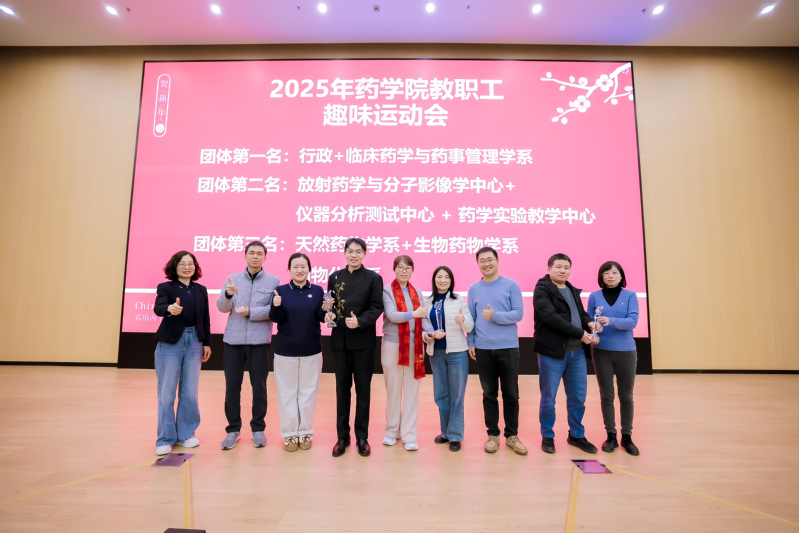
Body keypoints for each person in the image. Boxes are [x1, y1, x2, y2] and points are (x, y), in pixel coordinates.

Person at [533, 253, 602, 454]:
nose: (563, 271)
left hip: (577, 354)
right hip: (552, 353)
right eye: (559, 267)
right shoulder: (542, 289)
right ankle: (547, 435)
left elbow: (580, 314)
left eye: (566, 267)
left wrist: (589, 323)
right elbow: (550, 317)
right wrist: (580, 333)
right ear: (549, 268)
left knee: (578, 398)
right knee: (548, 398)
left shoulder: (571, 289)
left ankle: (576, 435)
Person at [217, 241, 280, 450]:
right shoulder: (232, 279)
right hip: (233, 341)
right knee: (232, 388)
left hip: (259, 342)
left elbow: (274, 311)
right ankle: (233, 429)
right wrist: (228, 294)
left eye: (259, 253)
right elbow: (221, 307)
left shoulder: (273, 281)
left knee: (259, 388)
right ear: (245, 256)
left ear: (265, 257)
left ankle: (258, 429)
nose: (255, 256)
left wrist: (250, 312)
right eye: (251, 253)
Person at [326, 238, 384, 457]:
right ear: (344, 253)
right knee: (342, 390)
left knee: (363, 390)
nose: (353, 255)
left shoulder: (373, 278)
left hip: (363, 342)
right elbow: (329, 306)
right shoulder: (334, 277)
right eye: (350, 251)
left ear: (364, 254)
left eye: (358, 252)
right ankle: (342, 437)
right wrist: (328, 314)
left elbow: (377, 307)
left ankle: (362, 436)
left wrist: (360, 321)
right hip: (339, 341)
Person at [466, 247, 527, 456]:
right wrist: (471, 342)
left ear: (498, 261)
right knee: (489, 394)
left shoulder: (511, 285)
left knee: (511, 394)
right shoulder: (473, 288)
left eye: (490, 259)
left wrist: (495, 316)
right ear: (478, 264)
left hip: (508, 347)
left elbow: (518, 314)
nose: (486, 264)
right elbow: (472, 318)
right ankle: (492, 434)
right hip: (483, 349)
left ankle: (512, 436)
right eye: (482, 261)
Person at [269, 253, 331, 452]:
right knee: (286, 394)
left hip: (311, 350)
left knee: (308, 393)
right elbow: (276, 318)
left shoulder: (318, 290)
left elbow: (321, 317)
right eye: (295, 267)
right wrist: (275, 306)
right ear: (289, 269)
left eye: (303, 266)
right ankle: (289, 434)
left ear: (309, 269)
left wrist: (326, 309)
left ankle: (305, 432)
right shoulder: (280, 291)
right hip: (285, 351)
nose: (300, 270)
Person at [152, 251, 212, 456]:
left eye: (191, 263)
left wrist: (206, 343)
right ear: (174, 266)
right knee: (166, 392)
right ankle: (165, 438)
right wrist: (169, 308)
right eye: (182, 264)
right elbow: (158, 307)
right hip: (171, 343)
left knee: (190, 391)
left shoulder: (201, 290)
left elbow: (205, 318)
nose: (187, 267)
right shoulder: (166, 287)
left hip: (195, 341)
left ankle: (186, 434)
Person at [587, 261, 640, 456]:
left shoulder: (630, 295)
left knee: (626, 396)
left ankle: (627, 436)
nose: (610, 276)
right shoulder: (594, 296)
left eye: (615, 272)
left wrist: (610, 321)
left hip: (626, 351)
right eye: (606, 273)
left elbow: (632, 321)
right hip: (601, 351)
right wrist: (594, 326)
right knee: (606, 395)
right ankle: (611, 435)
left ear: (621, 276)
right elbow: (588, 320)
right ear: (601, 276)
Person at [381, 255, 431, 451]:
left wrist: (430, 331)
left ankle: (409, 435)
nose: (404, 271)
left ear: (412, 270)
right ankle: (392, 432)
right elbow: (392, 315)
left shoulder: (417, 291)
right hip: (393, 345)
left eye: (408, 268)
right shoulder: (386, 290)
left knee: (412, 391)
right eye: (400, 267)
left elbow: (423, 317)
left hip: (414, 345)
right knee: (393, 390)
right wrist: (414, 314)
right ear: (394, 269)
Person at [423, 266, 473, 452]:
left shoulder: (458, 300)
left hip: (457, 353)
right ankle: (445, 432)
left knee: (457, 396)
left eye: (446, 277)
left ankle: (455, 435)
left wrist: (462, 321)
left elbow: (469, 327)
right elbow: (424, 327)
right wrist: (428, 336)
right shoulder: (427, 302)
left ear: (451, 280)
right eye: (439, 277)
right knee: (441, 395)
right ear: (434, 280)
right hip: (436, 353)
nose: (443, 280)